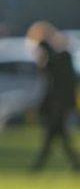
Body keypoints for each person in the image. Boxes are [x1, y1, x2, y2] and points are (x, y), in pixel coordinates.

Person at [27, 22, 78, 172]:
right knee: (60, 136)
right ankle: (75, 165)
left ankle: (38, 166)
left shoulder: (62, 56)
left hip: (59, 104)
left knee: (53, 135)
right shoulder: (58, 57)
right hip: (56, 104)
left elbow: (60, 80)